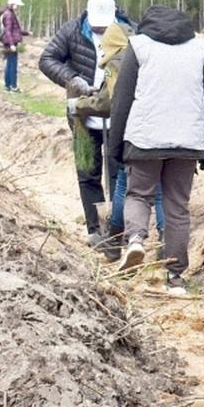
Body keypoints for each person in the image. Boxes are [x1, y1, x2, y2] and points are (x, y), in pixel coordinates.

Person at [107, 5, 204, 294]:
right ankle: (176, 278)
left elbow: (122, 99)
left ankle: (135, 240)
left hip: (145, 138)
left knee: (138, 195)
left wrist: (115, 146)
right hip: (188, 140)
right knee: (177, 207)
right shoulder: (200, 49)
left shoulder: (139, 45)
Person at [39, 0, 133, 249]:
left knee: (118, 174)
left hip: (118, 116)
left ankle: (117, 230)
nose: (101, 30)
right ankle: (95, 228)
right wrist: (72, 79)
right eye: (96, 25)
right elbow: (47, 59)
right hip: (82, 114)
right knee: (88, 173)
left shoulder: (129, 32)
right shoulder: (72, 31)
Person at [69, 21, 166, 261]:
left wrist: (79, 105)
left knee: (125, 185)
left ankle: (117, 242)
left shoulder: (117, 62)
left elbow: (108, 102)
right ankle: (167, 245)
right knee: (161, 189)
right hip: (162, 129)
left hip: (131, 134)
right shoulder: (150, 55)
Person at [0, 0, 29, 92]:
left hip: (8, 42)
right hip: (10, 43)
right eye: (17, 5)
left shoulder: (9, 14)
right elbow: (8, 31)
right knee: (13, 65)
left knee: (9, 64)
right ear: (12, 4)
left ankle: (7, 86)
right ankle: (13, 86)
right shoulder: (9, 15)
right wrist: (12, 44)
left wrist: (26, 33)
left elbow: (15, 30)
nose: (18, 7)